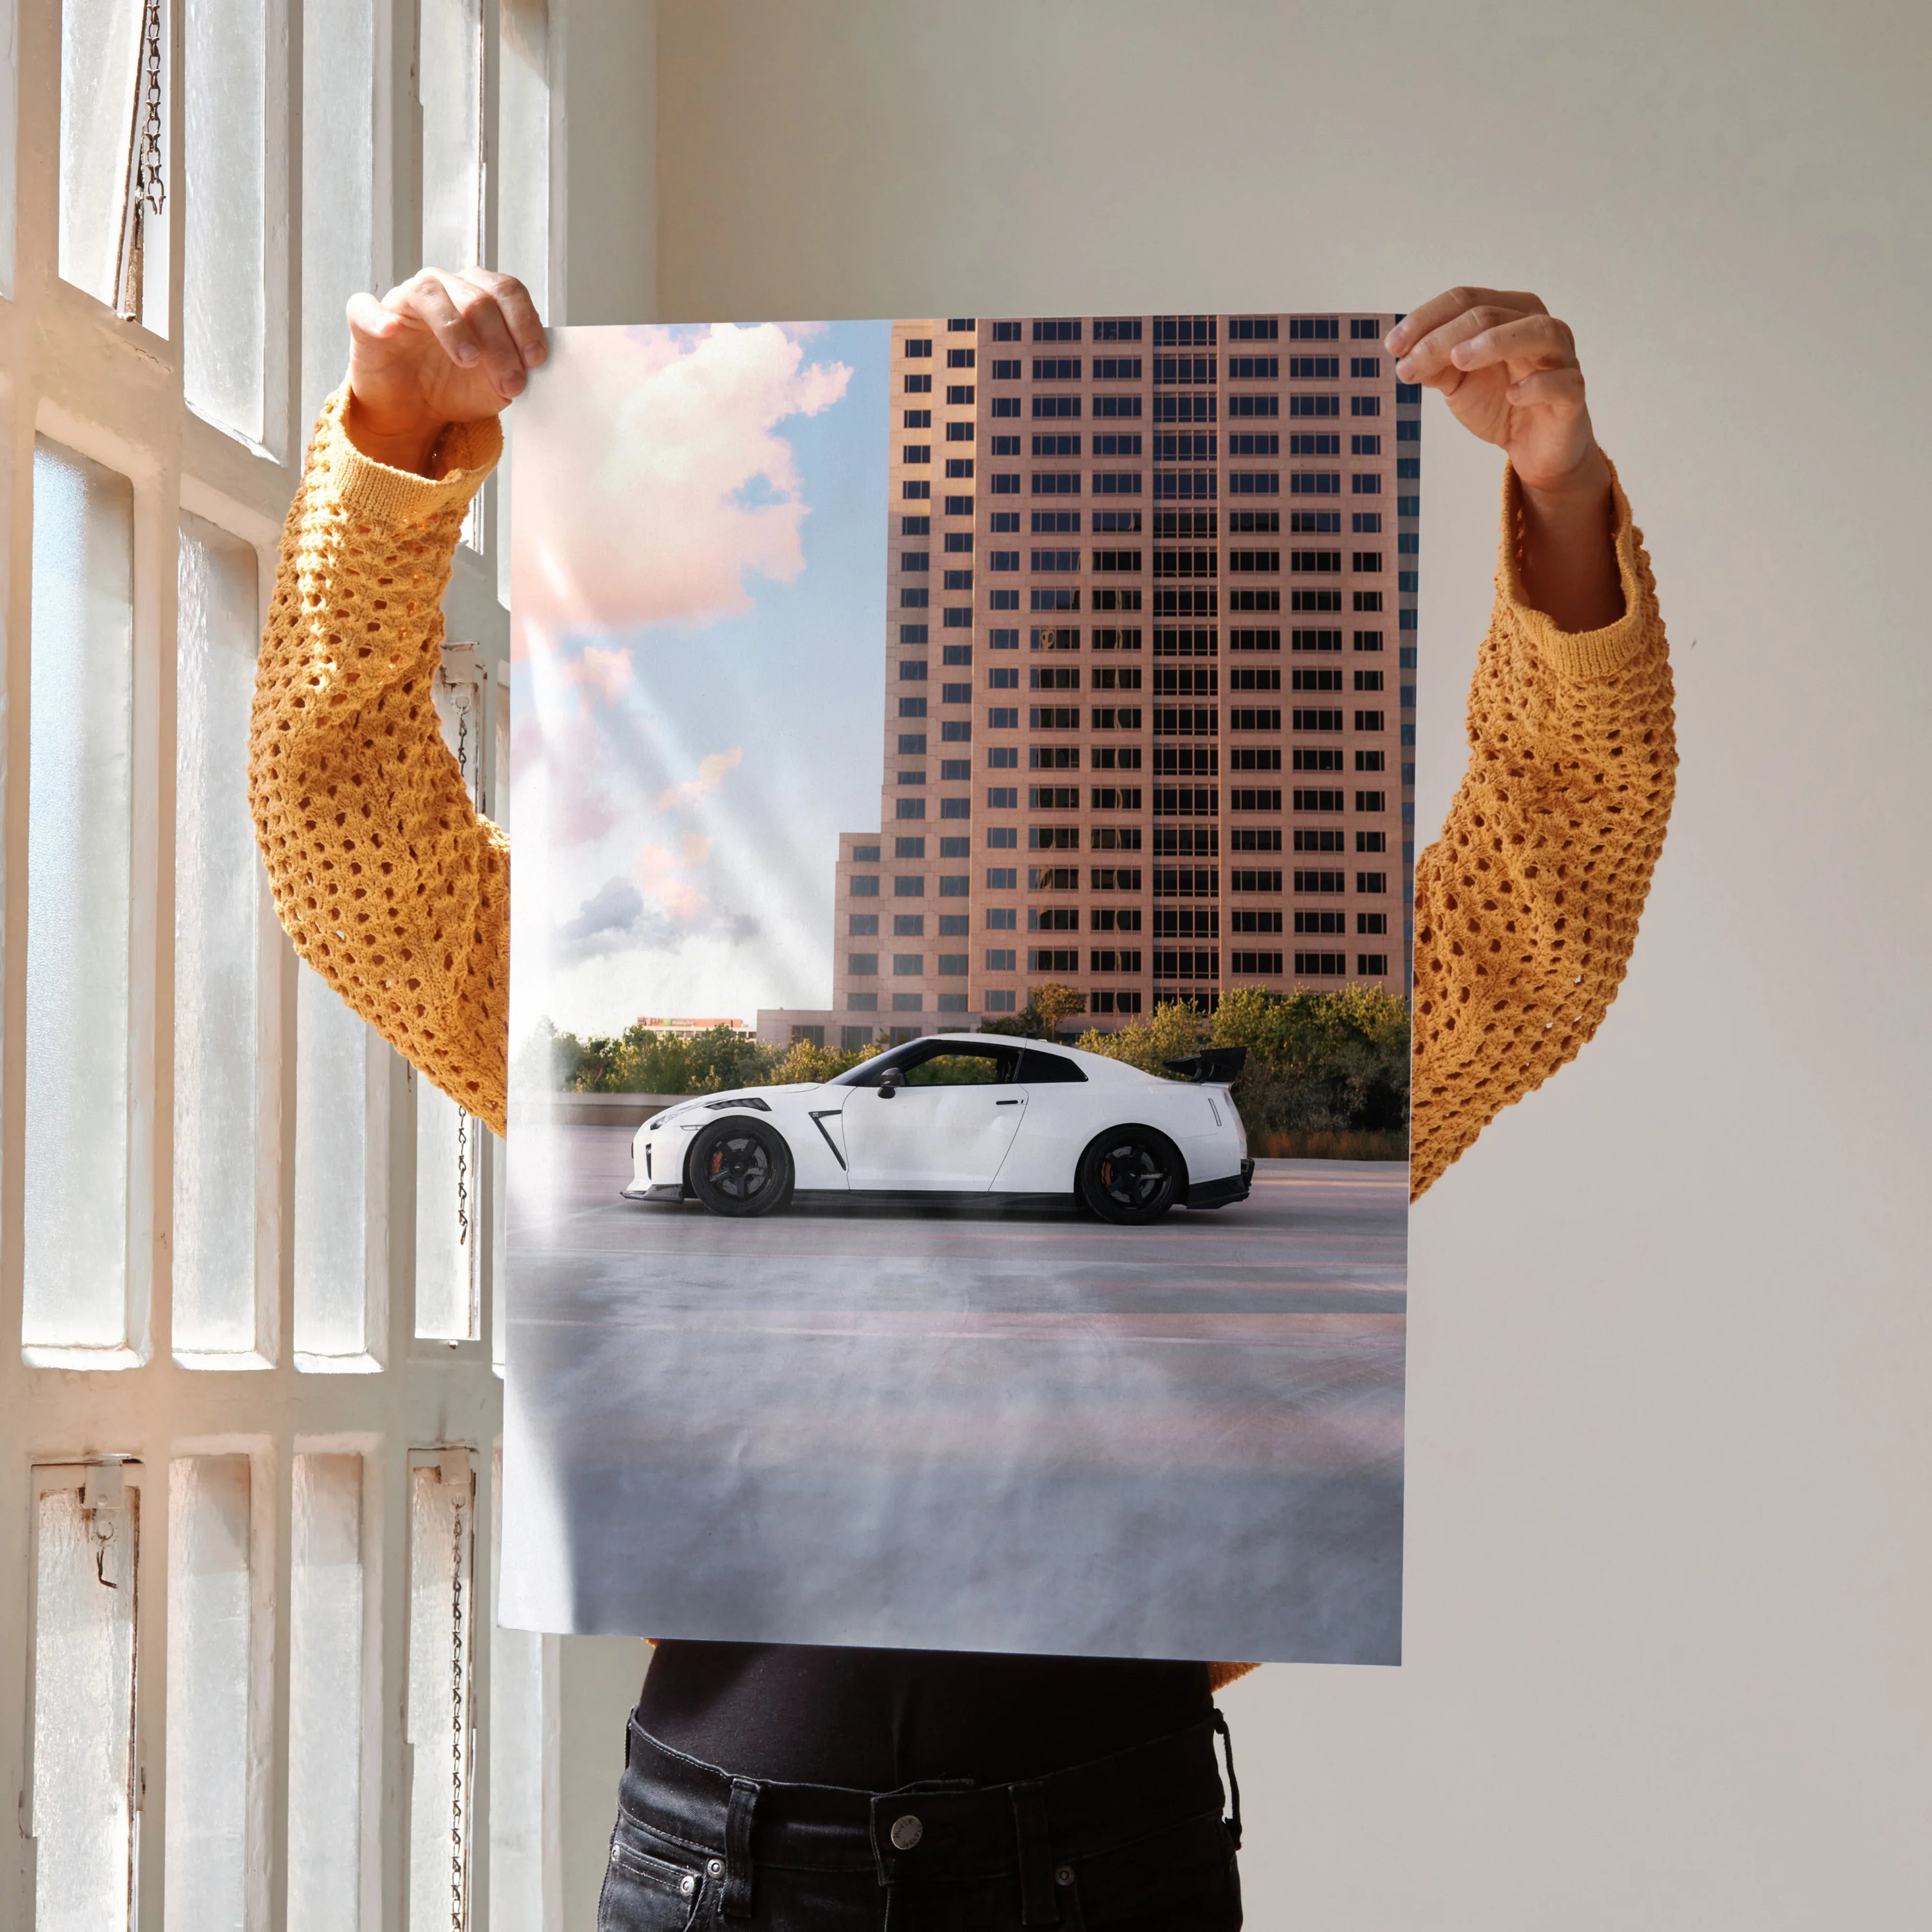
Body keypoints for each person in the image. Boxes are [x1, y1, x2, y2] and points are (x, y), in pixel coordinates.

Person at [250, 273, 1676, 1929]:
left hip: (1102, 1851)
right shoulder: (622, 1011)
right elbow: (347, 842)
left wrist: (1561, 496)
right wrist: (392, 447)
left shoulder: (1271, 1066)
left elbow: (1549, 892)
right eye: (1018, 755)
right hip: (727, 1864)